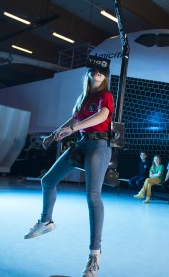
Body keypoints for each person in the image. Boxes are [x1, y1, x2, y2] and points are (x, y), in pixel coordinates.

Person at [24, 55, 113, 277]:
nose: (97, 73)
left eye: (102, 72)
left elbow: (103, 115)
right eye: (94, 70)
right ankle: (46, 221)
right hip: (82, 143)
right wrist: (54, 135)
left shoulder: (106, 96)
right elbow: (73, 120)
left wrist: (73, 130)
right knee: (48, 180)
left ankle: (94, 255)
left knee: (93, 196)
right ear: (89, 73)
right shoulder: (84, 98)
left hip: (99, 144)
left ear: (105, 77)